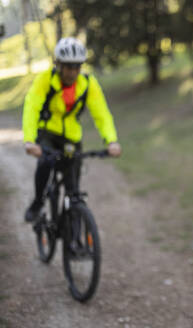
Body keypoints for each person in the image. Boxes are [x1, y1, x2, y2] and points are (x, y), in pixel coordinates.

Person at [22, 37, 121, 222]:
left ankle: (73, 228)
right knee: (45, 163)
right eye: (69, 66)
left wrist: (111, 141)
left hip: (71, 137)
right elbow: (31, 108)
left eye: (77, 67)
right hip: (48, 132)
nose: (73, 72)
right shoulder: (45, 80)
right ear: (58, 65)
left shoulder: (88, 84)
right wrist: (29, 140)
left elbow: (102, 114)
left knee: (73, 187)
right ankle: (37, 203)